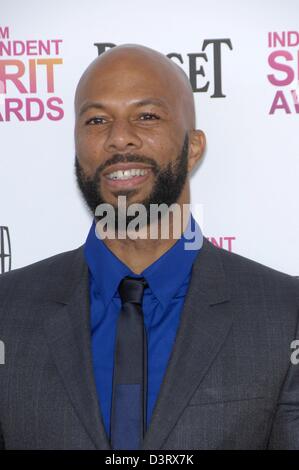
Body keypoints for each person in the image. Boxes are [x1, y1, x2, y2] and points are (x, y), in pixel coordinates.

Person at [0, 44, 299, 450]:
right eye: (97, 119)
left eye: (147, 116)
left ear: (192, 147)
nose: (119, 137)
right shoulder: (7, 308)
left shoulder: (284, 313)